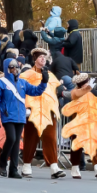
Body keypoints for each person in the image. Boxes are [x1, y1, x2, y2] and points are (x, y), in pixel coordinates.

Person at [0, 57, 48, 178]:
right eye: (12, 67)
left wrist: (44, 81)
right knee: (11, 138)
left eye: (17, 67)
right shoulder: (1, 82)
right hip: (7, 116)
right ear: (7, 69)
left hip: (20, 116)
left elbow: (36, 91)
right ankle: (2, 161)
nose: (15, 69)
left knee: (16, 142)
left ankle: (13, 170)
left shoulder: (22, 83)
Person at [16, 48, 65, 179]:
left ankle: (54, 166)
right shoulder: (26, 74)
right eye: (40, 57)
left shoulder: (51, 75)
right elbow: (21, 90)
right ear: (34, 59)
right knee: (31, 139)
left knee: (50, 138)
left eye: (44, 57)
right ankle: (26, 165)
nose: (43, 59)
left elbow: (56, 90)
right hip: (33, 111)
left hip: (48, 111)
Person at [62, 73, 97, 179]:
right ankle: (75, 167)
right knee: (77, 146)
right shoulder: (75, 92)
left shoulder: (90, 92)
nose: (88, 84)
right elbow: (77, 94)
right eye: (86, 82)